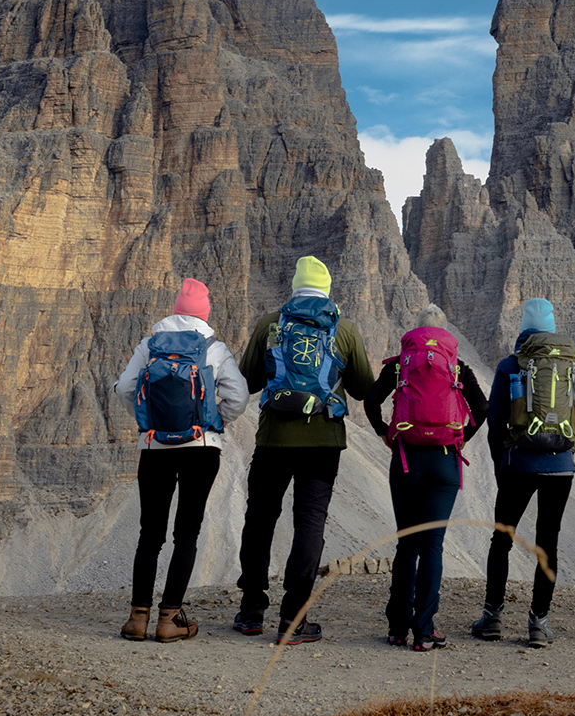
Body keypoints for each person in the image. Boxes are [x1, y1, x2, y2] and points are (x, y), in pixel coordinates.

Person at [233, 256, 377, 645]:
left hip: (272, 440)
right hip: (323, 443)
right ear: (327, 290)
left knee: (260, 518)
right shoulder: (344, 329)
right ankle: (294, 618)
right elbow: (365, 390)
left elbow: (246, 382)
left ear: (294, 288)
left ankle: (251, 610)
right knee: (309, 522)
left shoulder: (269, 324)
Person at [112, 278, 250, 642]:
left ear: (175, 310)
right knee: (186, 533)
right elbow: (238, 396)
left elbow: (126, 388)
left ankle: (137, 617)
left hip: (155, 448)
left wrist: (148, 423)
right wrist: (214, 422)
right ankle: (169, 618)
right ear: (204, 315)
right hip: (201, 449)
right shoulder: (214, 349)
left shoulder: (149, 346)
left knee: (149, 533)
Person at [364, 305, 487, 651]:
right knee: (433, 544)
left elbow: (371, 401)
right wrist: (460, 438)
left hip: (406, 460)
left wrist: (385, 434)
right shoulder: (457, 366)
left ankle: (398, 628)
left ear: (415, 333)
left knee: (407, 542)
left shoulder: (401, 364)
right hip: (445, 462)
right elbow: (482, 409)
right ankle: (425, 630)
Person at [471, 298, 575, 648]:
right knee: (548, 542)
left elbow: (494, 421)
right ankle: (539, 623)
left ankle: (492, 617)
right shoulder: (568, 364)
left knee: (502, 538)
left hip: (517, 463)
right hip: (561, 465)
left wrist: (502, 467)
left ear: (523, 329)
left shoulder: (510, 364)